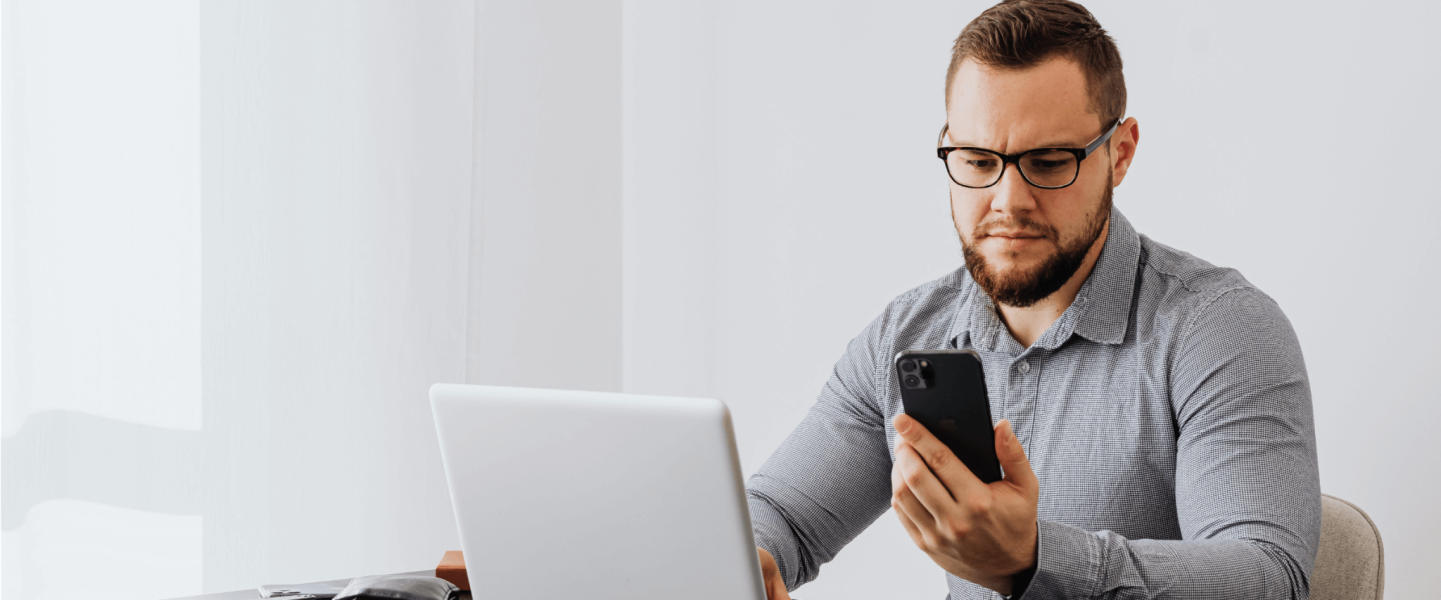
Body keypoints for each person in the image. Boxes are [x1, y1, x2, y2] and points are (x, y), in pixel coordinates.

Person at [745, 1, 1321, 599]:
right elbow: (779, 516)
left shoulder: (1218, 329)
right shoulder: (907, 336)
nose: (1008, 200)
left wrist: (1032, 559)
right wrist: (748, 560)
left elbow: (1267, 580)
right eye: (978, 161)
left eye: (1049, 163)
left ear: (1119, 153)